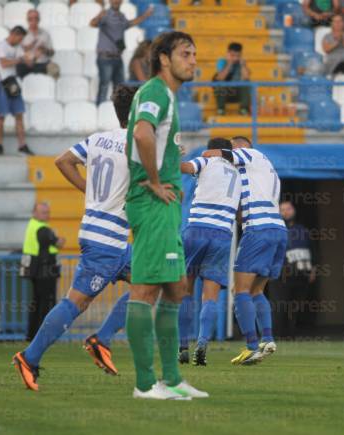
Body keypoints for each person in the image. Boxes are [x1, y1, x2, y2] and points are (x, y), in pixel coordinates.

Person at [12, 85, 138, 391]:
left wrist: (88, 190)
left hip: (111, 237)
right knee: (76, 302)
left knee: (151, 283)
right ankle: (29, 357)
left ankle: (102, 339)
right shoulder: (136, 144)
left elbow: (61, 161)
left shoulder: (98, 139)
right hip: (106, 239)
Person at [125, 31, 207, 400]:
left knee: (177, 288)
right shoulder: (156, 91)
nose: (193, 60)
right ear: (164, 59)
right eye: (186, 54)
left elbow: (152, 137)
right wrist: (155, 181)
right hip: (154, 202)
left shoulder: (166, 96)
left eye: (194, 54)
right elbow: (142, 133)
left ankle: (173, 379)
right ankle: (145, 384)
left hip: (167, 205)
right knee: (145, 290)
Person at [203, 136, 288, 366]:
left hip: (259, 230)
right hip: (277, 230)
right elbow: (241, 214)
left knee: (239, 290)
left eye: (232, 148)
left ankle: (251, 347)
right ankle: (267, 339)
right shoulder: (264, 171)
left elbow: (215, 154)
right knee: (256, 290)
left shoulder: (251, 155)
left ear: (240, 147)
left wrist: (205, 156)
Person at [177, 138, 241, 366]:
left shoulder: (207, 161)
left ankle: (182, 346)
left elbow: (183, 168)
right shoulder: (238, 172)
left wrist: (175, 155)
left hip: (197, 230)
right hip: (223, 235)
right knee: (211, 296)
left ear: (212, 149)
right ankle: (203, 343)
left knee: (184, 290)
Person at [267, 200, 316, 338]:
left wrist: (313, 269)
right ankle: (275, 337)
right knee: (279, 307)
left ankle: (291, 335)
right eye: (282, 209)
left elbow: (313, 250)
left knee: (295, 307)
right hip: (280, 275)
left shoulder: (303, 230)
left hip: (301, 275)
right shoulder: (274, 230)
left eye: (289, 208)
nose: (286, 212)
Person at [90, 0, 153, 105]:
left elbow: (130, 23)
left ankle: (119, 112)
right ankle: (99, 109)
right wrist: (99, 16)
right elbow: (92, 24)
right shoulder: (105, 14)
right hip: (105, 58)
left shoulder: (121, 16)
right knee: (104, 86)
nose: (116, 1)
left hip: (117, 58)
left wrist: (145, 15)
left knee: (120, 88)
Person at [20, 202, 65, 342]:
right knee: (46, 304)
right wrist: (60, 240)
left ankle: (31, 335)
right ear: (35, 213)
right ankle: (44, 335)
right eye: (43, 212)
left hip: (35, 270)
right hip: (45, 272)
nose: (47, 215)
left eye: (48, 212)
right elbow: (58, 243)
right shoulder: (42, 229)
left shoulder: (32, 226)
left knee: (36, 303)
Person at [0, 26, 34, 156]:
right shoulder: (2, 45)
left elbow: (28, 62)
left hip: (12, 82)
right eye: (20, 38)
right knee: (1, 115)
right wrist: (21, 59)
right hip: (1, 83)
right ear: (14, 35)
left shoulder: (17, 47)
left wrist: (30, 56)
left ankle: (22, 145)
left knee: (19, 114)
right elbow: (4, 63)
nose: (20, 41)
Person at [213, 42, 251, 116]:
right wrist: (229, 63)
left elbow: (246, 77)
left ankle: (244, 109)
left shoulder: (242, 63)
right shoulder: (222, 62)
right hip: (225, 93)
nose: (235, 58)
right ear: (228, 53)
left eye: (238, 56)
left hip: (238, 93)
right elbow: (220, 78)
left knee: (246, 84)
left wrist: (242, 64)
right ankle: (220, 110)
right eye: (233, 55)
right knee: (220, 84)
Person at [17, 9, 55, 79]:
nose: (33, 21)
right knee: (20, 67)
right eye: (30, 19)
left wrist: (44, 50)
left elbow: (52, 53)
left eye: (36, 18)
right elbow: (18, 54)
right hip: (26, 64)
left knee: (51, 69)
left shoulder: (45, 34)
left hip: (41, 64)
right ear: (27, 20)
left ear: (39, 20)